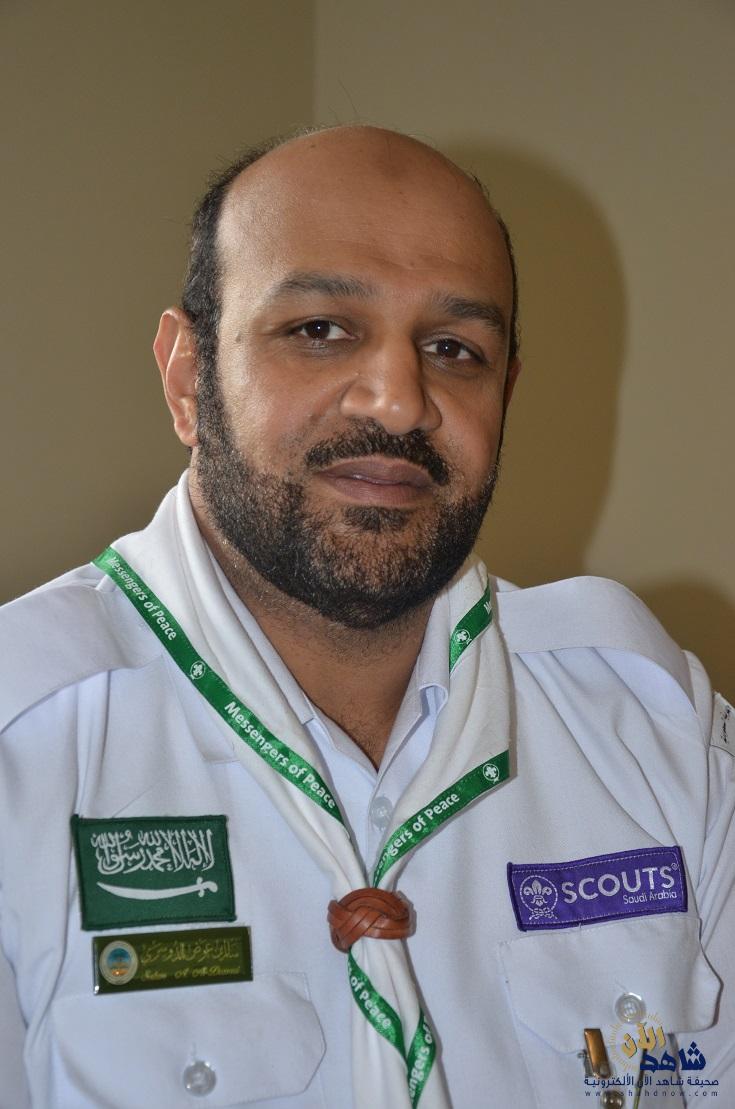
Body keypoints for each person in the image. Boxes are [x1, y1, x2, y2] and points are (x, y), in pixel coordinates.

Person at [0, 125, 732, 1109]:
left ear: (506, 391)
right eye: (320, 329)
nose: (399, 400)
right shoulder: (23, 746)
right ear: (186, 377)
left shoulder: (653, 728)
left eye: (454, 348)